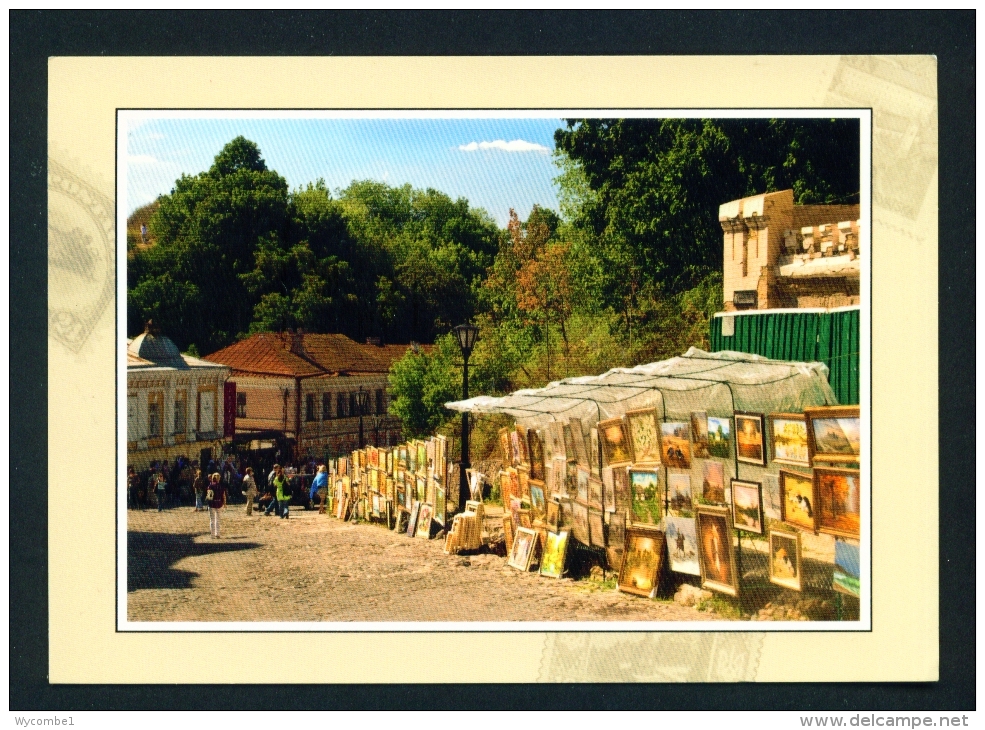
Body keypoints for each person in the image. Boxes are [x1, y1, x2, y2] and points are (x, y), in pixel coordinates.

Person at [207, 472, 227, 539]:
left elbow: (209, 496)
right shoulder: (221, 486)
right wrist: (224, 503)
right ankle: (217, 533)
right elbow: (223, 496)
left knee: (212, 520)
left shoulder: (210, 486)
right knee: (218, 519)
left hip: (212, 504)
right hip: (219, 503)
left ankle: (212, 534)